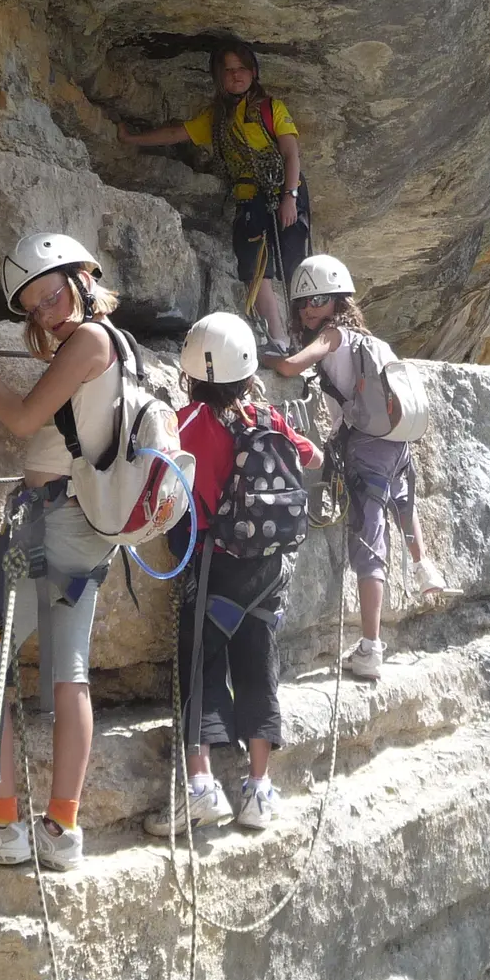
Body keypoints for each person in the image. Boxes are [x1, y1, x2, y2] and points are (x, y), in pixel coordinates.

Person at [0, 232, 122, 870]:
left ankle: (7, 827)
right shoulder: (116, 345)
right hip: (86, 531)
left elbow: (22, 420)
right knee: (68, 673)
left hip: (48, 524)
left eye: (50, 294)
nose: (47, 311)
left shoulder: (88, 341)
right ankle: (63, 831)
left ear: (81, 277)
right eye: (34, 307)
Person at [146, 313, 321, 835]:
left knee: (199, 660)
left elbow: (159, 477)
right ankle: (259, 790)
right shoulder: (265, 416)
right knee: (258, 665)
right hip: (267, 570)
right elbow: (308, 456)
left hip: (213, 564)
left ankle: (201, 785)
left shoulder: (188, 423)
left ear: (191, 372)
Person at [265, 255, 446, 680]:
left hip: (366, 446)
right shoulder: (373, 341)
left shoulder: (333, 335)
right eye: (304, 303)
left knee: (368, 543)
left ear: (338, 300)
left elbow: (293, 366)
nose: (310, 309)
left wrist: (268, 358)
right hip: (397, 441)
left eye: (319, 300)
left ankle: (370, 648)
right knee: (402, 502)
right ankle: (423, 566)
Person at [117, 39, 309, 352]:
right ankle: (279, 338)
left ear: (253, 72)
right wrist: (132, 138)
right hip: (250, 196)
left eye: (242, 69)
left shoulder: (270, 108)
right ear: (219, 77)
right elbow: (176, 133)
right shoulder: (216, 118)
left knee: (295, 264)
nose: (236, 76)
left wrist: (290, 196)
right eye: (229, 70)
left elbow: (291, 153)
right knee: (255, 268)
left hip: (283, 189)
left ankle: (306, 336)